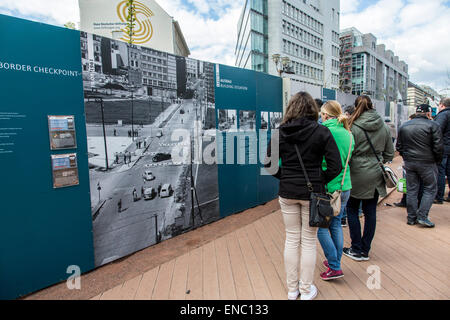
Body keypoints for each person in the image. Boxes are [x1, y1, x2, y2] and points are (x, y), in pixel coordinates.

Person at [266, 92, 342, 300]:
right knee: (308, 240)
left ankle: (292, 290)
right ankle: (306, 290)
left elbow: (268, 164)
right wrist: (320, 180)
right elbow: (337, 165)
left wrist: (286, 177)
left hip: (287, 192)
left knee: (291, 239)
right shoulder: (322, 132)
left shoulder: (280, 132)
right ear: (313, 110)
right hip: (313, 193)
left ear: (290, 108)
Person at [343, 95, 395, 261]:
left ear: (356, 106)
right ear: (372, 106)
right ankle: (365, 249)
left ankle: (356, 248)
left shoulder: (352, 126)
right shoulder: (384, 127)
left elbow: (347, 152)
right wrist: (376, 159)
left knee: (352, 209)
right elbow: (389, 153)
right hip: (375, 173)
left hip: (355, 174)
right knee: (370, 211)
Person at [317, 101, 354, 281]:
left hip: (328, 187)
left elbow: (321, 159)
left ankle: (334, 266)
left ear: (325, 114)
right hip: (345, 186)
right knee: (336, 224)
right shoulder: (348, 133)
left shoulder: (324, 131)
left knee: (321, 227)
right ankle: (335, 261)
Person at [397, 104, 444, 227]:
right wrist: (437, 161)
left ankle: (411, 217)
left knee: (412, 189)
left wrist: (406, 157)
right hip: (427, 162)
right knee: (430, 188)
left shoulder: (404, 126)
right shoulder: (433, 125)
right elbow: (438, 147)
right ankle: (422, 216)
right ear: (428, 113)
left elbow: (399, 147)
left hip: (410, 162)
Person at [434, 98, 450, 204]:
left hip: (443, 147)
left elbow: (436, 131)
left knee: (440, 171)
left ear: (442, 105)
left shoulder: (443, 115)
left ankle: (438, 196)